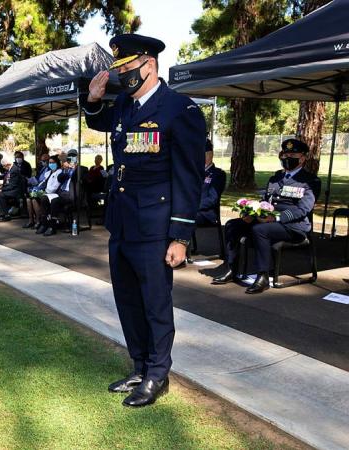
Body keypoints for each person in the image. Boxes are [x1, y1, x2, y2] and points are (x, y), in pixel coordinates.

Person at [84, 33, 206, 407]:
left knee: (154, 303)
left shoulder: (179, 109)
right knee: (128, 301)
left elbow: (188, 177)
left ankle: (157, 374)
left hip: (155, 227)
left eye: (127, 67)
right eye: (118, 68)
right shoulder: (124, 105)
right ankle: (139, 365)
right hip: (122, 223)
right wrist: (91, 99)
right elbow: (100, 122)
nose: (122, 75)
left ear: (149, 65)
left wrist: (181, 237)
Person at [212, 139, 318, 294]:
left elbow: (302, 210)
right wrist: (251, 213)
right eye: (286, 154)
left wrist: (276, 218)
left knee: (261, 230)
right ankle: (232, 269)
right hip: (268, 220)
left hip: (293, 226)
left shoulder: (310, 181)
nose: (288, 157)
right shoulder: (275, 178)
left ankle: (263, 276)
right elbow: (265, 202)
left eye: (293, 154)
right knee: (233, 225)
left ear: (302, 158)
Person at [196, 140, 226, 226]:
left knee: (185, 219)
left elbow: (212, 199)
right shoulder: (193, 173)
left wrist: (193, 207)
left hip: (206, 214)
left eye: (203, 154)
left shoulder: (218, 174)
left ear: (211, 154)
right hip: (190, 211)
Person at [34, 155, 66, 235]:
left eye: (53, 163)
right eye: (50, 163)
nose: (51, 164)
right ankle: (44, 223)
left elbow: (54, 187)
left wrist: (45, 192)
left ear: (57, 163)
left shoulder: (59, 173)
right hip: (48, 194)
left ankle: (51, 226)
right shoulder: (48, 173)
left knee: (44, 198)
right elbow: (44, 183)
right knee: (37, 198)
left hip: (55, 194)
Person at [0, 151, 30, 221]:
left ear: (8, 164)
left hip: (16, 190)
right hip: (12, 188)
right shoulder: (10, 169)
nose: (4, 168)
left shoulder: (14, 170)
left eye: (4, 166)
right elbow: (5, 176)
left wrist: (1, 189)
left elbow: (12, 185)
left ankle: (5, 214)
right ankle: (2, 213)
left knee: (0, 195)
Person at [24, 153, 52, 229]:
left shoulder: (50, 169)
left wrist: (37, 188)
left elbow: (45, 182)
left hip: (44, 189)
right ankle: (31, 220)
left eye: (44, 161)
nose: (42, 162)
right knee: (28, 199)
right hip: (38, 187)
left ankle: (38, 221)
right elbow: (37, 178)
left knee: (34, 200)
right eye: (42, 161)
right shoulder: (43, 168)